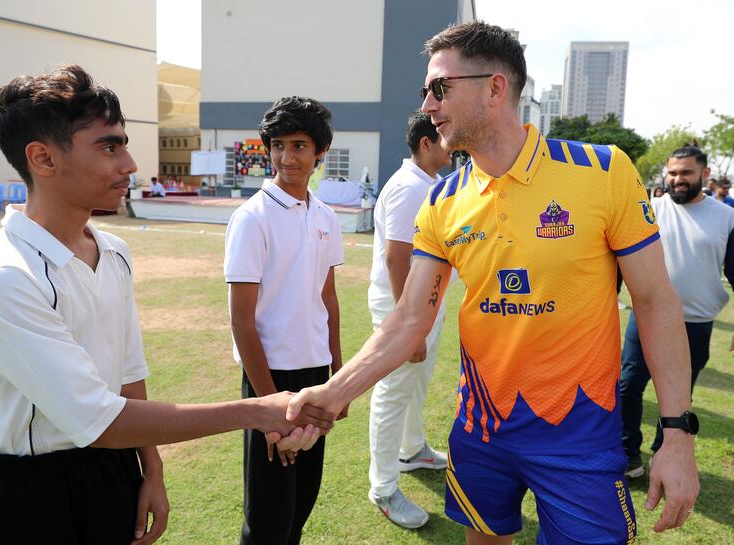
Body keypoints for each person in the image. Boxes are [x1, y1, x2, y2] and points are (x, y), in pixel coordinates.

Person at [287, 22, 699, 545]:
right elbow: (410, 318)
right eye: (425, 92)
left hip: (580, 435)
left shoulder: (602, 171)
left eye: (440, 88)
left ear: (495, 88)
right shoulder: (442, 199)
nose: (428, 106)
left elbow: (656, 302)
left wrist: (678, 434)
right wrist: (333, 390)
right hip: (481, 431)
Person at [0, 66, 330, 545]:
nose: (129, 164)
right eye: (108, 146)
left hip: (115, 467)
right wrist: (258, 410)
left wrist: (151, 467)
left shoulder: (114, 251)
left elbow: (127, 372)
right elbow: (97, 417)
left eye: (123, 143)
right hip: (25, 492)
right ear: (42, 158)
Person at [224, 96, 344, 545]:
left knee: (302, 501)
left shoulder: (326, 216)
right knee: (268, 516)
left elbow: (328, 301)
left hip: (315, 380)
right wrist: (268, 403)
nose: (286, 157)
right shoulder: (252, 218)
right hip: (270, 377)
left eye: (299, 146)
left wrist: (339, 378)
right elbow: (241, 320)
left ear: (319, 153)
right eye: (278, 145)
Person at [621, 145, 734, 477]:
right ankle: (629, 454)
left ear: (705, 174)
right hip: (646, 319)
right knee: (628, 386)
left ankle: (663, 454)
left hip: (696, 323)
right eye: (672, 173)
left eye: (686, 173)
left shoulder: (726, 217)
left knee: (679, 394)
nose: (678, 179)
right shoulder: (649, 209)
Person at [367, 110, 452, 528]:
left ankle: (412, 449)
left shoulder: (429, 183)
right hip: (403, 307)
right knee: (393, 390)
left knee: (417, 381)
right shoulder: (406, 187)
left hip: (425, 306)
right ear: (425, 143)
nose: (451, 145)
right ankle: (383, 487)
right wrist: (410, 323)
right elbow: (396, 257)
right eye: (443, 137)